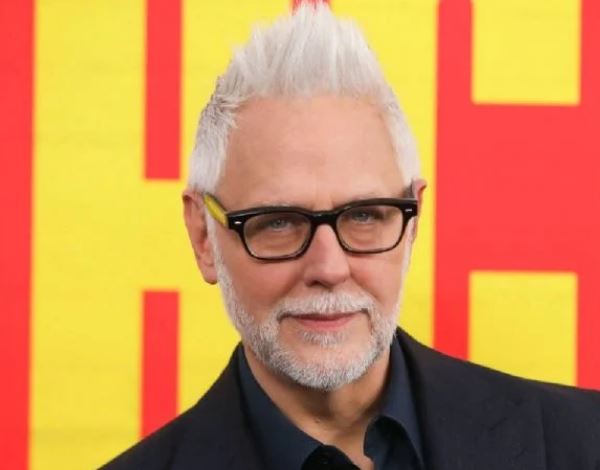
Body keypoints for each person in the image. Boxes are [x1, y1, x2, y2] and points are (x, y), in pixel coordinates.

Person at [103, 4, 600, 469]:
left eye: (364, 216)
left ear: (413, 222)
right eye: (278, 222)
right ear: (203, 236)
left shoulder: (582, 442)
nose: (329, 267)